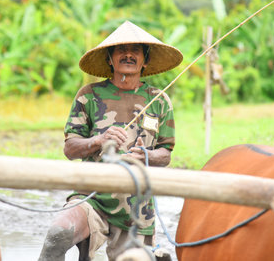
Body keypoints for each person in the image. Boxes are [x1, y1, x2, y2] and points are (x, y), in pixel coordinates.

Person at [38, 20, 183, 261]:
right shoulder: (89, 96)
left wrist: (145, 155)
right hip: (90, 197)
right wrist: (99, 140)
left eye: (136, 50)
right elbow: (70, 148)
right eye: (121, 49)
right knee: (58, 234)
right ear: (109, 58)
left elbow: (165, 154)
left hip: (136, 210)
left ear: (145, 60)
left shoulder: (159, 100)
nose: (128, 54)